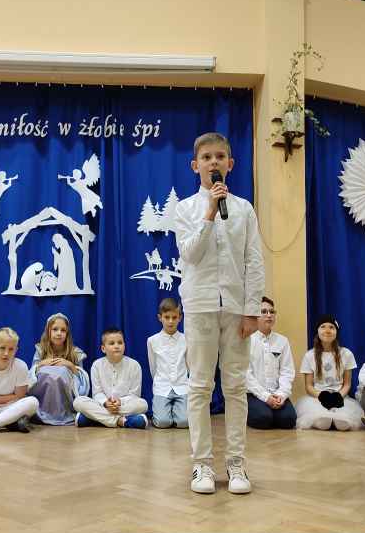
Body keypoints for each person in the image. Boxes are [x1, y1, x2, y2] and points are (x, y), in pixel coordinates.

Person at [174, 132, 265, 495]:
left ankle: (236, 463)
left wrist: (252, 310)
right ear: (195, 166)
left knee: (236, 387)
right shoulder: (185, 209)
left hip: (236, 308)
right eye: (207, 157)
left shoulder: (243, 208)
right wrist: (210, 213)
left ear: (231, 164)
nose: (214, 162)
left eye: (220, 156)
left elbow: (254, 261)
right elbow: (190, 255)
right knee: (199, 386)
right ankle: (202, 465)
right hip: (199, 306)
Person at [295, 315, 363, 431]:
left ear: (336, 332)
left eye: (331, 327)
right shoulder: (309, 355)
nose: (327, 330)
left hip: (339, 396)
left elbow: (347, 384)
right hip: (317, 397)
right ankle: (323, 419)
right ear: (317, 331)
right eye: (323, 327)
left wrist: (338, 396)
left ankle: (339, 420)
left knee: (344, 420)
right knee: (320, 418)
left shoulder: (346, 354)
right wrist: (322, 396)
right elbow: (309, 386)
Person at [74, 327, 148, 428]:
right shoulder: (97, 365)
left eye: (120, 343)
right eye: (112, 343)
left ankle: (96, 419)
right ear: (103, 348)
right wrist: (105, 403)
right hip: (103, 405)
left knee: (143, 404)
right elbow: (97, 393)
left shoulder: (134, 365)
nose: (117, 346)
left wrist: (120, 402)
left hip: (123, 406)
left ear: (124, 346)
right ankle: (121, 421)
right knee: (78, 401)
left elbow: (134, 395)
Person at [28, 313, 89, 425]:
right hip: (44, 399)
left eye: (63, 330)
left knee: (63, 372)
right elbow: (31, 377)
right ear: (48, 332)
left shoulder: (75, 353)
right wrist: (41, 364)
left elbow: (81, 384)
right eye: (55, 329)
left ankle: (63, 414)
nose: (59, 333)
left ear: (67, 334)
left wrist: (70, 365)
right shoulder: (41, 350)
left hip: (65, 399)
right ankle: (43, 413)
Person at [245, 296, 296, 430]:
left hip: (276, 392)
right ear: (255, 316)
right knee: (263, 418)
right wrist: (266, 397)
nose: (269, 315)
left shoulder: (282, 341)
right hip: (254, 393)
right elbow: (246, 375)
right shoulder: (247, 340)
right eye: (264, 312)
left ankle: (274, 411)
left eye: (272, 312)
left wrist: (281, 395)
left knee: (289, 420)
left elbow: (287, 372)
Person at [147, 297, 188, 428]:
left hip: (182, 387)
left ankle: (178, 411)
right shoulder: (152, 341)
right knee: (162, 422)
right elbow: (153, 367)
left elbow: (189, 365)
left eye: (174, 317)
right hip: (162, 387)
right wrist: (159, 382)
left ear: (180, 318)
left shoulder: (186, 339)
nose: (170, 321)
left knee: (184, 422)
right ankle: (165, 412)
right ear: (160, 318)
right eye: (167, 317)